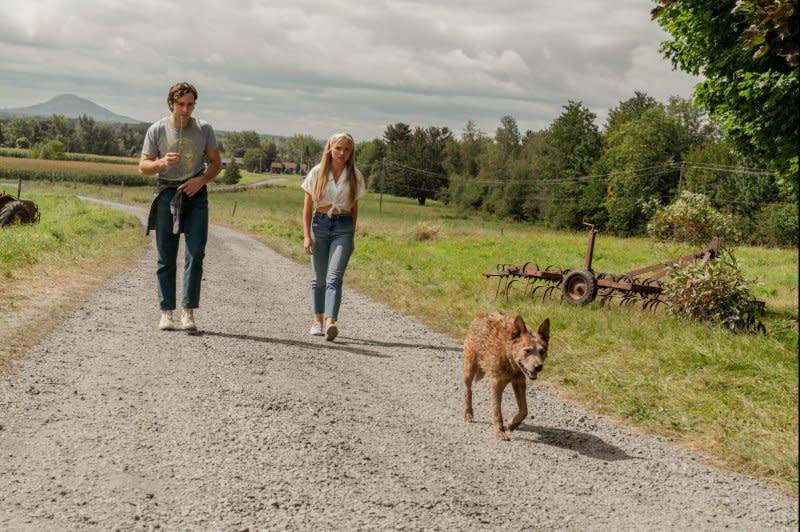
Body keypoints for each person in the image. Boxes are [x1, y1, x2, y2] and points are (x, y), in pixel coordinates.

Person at [138, 82, 222, 332]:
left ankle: (188, 312)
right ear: (171, 104)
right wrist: (162, 162)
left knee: (195, 255)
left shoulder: (204, 129)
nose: (186, 110)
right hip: (166, 193)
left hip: (195, 194)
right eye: (181, 105)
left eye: (190, 105)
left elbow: (217, 163)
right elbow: (142, 167)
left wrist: (201, 180)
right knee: (166, 257)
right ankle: (166, 313)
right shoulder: (158, 129)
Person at [301, 132, 366, 341]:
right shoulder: (317, 172)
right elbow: (307, 208)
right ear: (330, 149)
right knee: (319, 279)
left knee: (334, 277)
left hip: (343, 227)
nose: (342, 153)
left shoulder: (354, 176)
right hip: (320, 224)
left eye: (346, 149)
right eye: (338, 148)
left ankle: (331, 322)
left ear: (351, 153)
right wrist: (306, 236)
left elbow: (355, 208)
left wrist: (352, 235)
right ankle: (317, 321)